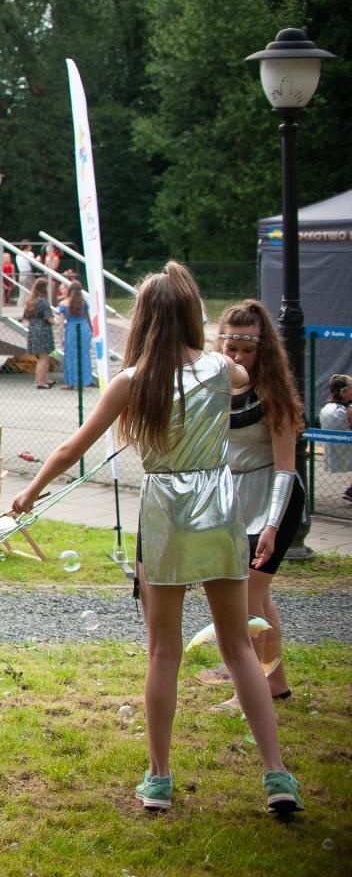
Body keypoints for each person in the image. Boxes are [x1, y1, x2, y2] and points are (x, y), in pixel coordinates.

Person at [10, 262, 302, 816]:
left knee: (163, 651)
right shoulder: (222, 369)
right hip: (220, 507)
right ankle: (277, 774)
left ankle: (160, 778)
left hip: (166, 511)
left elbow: (73, 449)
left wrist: (31, 494)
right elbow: (242, 376)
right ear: (194, 316)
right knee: (240, 646)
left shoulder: (133, 381)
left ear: (143, 319)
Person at [192, 302, 305, 710]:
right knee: (258, 599)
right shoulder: (212, 388)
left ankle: (248, 693)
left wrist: (272, 527)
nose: (236, 358)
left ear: (263, 351)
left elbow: (286, 469)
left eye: (246, 350)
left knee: (246, 601)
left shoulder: (275, 397)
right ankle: (274, 684)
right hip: (232, 501)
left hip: (274, 498)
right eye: (230, 347)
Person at [318, 374, 352, 501]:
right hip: (345, 447)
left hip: (334, 447)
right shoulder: (346, 410)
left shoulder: (326, 408)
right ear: (343, 392)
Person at [57, 280, 92, 388]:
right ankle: (83, 381)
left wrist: (60, 338)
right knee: (83, 356)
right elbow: (87, 318)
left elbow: (61, 324)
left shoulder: (63, 303)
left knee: (70, 356)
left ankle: (70, 382)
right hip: (84, 328)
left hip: (71, 329)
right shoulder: (83, 303)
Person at [23, 279, 56, 389]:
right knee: (44, 358)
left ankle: (41, 379)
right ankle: (41, 381)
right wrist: (56, 323)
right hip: (43, 331)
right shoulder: (43, 301)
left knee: (41, 357)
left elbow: (26, 317)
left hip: (33, 330)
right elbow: (49, 318)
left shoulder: (30, 301)